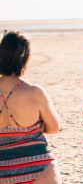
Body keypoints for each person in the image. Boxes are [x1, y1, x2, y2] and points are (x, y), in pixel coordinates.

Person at [0, 31, 62, 183]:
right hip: (40, 167)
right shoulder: (35, 92)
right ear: (25, 58)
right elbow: (54, 128)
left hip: (3, 170)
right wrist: (33, 128)